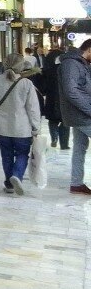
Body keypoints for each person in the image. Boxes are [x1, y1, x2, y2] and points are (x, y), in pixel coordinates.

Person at [0, 53, 41, 195]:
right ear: (21, 66)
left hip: (1, 127)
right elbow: (32, 108)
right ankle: (17, 175)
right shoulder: (26, 84)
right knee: (22, 154)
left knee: (6, 155)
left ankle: (9, 184)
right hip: (22, 128)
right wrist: (36, 127)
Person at [58, 38, 91, 194]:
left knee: (80, 147)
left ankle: (76, 183)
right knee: (80, 147)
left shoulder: (81, 64)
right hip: (82, 115)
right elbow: (71, 91)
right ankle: (76, 182)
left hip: (80, 114)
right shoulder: (71, 64)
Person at [42, 49, 69, 149]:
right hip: (64, 100)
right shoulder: (66, 70)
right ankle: (64, 144)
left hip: (51, 99)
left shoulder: (47, 71)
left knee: (52, 121)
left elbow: (43, 88)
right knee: (65, 122)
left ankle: (54, 138)